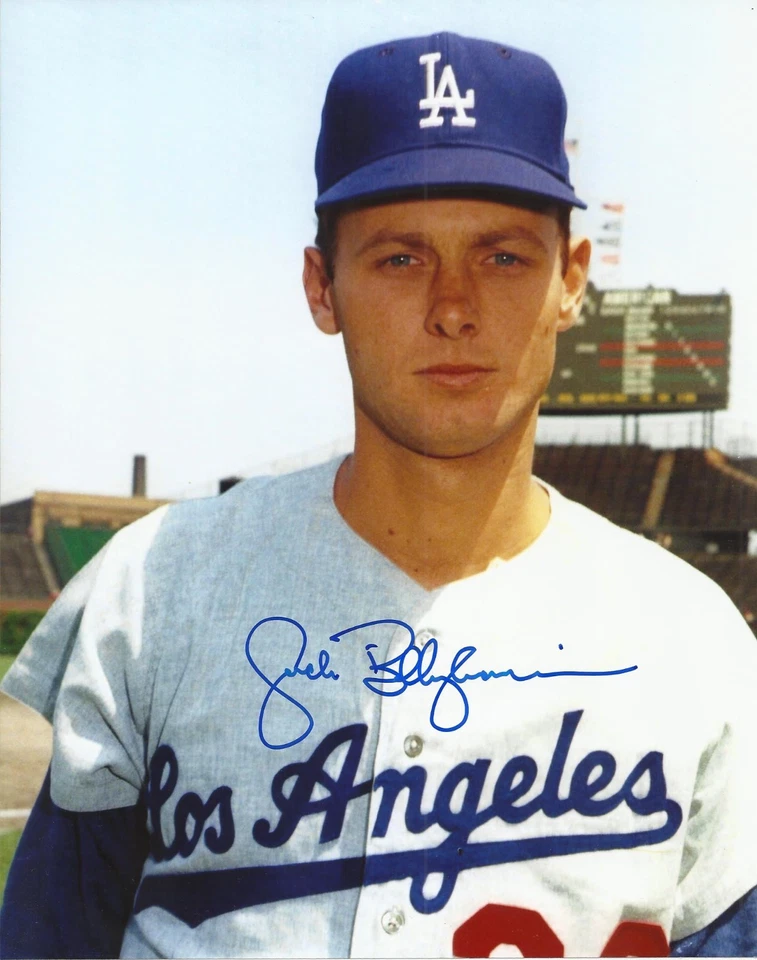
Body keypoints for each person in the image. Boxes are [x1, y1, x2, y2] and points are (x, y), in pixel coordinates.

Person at [2, 30, 757, 959]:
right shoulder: (153, 590)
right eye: (401, 258)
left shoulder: (692, 638)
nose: (452, 304)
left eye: (503, 257)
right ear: (323, 288)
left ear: (571, 281)